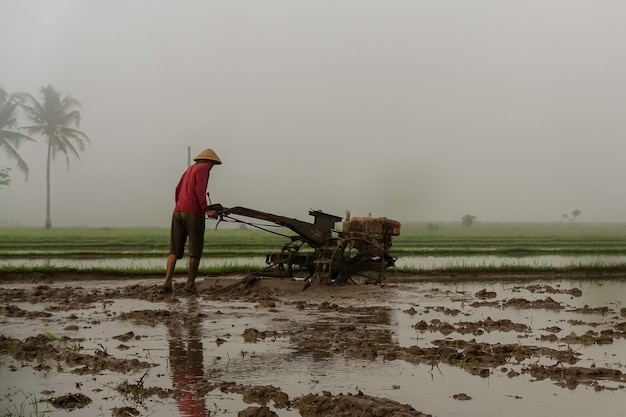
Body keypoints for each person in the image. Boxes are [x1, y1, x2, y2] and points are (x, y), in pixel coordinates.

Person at [162, 148, 222, 293]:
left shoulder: (190, 169)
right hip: (193, 213)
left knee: (174, 250)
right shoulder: (204, 168)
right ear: (209, 161)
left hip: (178, 211)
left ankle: (167, 281)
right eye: (212, 165)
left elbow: (177, 189)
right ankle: (190, 284)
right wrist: (206, 210)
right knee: (195, 249)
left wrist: (181, 204)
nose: (211, 168)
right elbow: (200, 190)